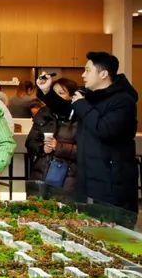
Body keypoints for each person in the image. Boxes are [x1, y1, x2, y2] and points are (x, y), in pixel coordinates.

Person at [39, 52, 138, 225]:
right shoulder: (90, 97)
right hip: (87, 175)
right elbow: (67, 110)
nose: (83, 75)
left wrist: (82, 105)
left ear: (103, 74)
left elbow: (105, 130)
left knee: (112, 229)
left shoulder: (123, 101)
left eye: (87, 70)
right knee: (88, 226)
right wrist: (47, 91)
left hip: (112, 180)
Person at [27, 77, 78, 194]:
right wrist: (42, 148)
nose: (56, 97)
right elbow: (30, 141)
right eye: (54, 93)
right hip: (40, 173)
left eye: (61, 93)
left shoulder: (78, 117)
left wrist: (58, 146)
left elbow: (85, 151)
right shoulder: (43, 112)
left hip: (67, 177)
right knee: (36, 204)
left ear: (72, 97)